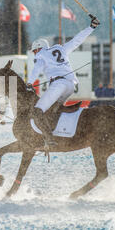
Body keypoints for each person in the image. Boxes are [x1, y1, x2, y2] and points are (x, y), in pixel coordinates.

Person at [26, 15, 100, 148]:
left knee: (37, 111)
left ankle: (49, 140)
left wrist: (30, 83)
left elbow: (36, 69)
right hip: (70, 85)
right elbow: (77, 40)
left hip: (58, 85)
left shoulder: (41, 55)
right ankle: (57, 133)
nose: (34, 53)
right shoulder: (61, 49)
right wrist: (91, 27)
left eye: (34, 50)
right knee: (54, 110)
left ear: (38, 48)